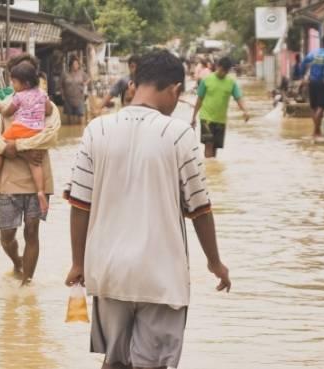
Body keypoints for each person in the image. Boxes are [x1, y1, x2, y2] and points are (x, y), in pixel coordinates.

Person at [65, 50, 231, 369]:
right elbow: (200, 209)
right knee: (152, 364)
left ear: (134, 83)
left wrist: (77, 262)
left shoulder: (96, 131)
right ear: (174, 90)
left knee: (114, 361)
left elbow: (79, 205)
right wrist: (215, 262)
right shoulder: (179, 134)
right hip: (161, 276)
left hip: (109, 272)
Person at [0, 54, 61, 286]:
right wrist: (23, 149)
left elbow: (51, 135)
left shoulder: (47, 104)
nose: (13, 84)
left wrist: (15, 147)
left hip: (38, 178)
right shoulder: (3, 107)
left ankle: (27, 283)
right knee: (7, 235)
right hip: (9, 180)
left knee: (32, 230)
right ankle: (17, 263)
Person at [0, 62, 53, 215]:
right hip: (36, 133)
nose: (11, 84)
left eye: (13, 81)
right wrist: (25, 151)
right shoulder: (42, 95)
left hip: (20, 129)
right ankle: (40, 191)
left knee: (0, 145)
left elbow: (7, 115)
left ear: (25, 83)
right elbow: (49, 111)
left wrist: (0, 107)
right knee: (36, 164)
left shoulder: (17, 97)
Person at [190, 56, 249, 158]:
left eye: (226, 71)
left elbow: (238, 97)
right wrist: (194, 116)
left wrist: (245, 111)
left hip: (220, 120)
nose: (223, 73)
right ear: (218, 67)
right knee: (208, 145)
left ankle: (212, 170)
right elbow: (199, 99)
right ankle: (208, 170)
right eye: (222, 70)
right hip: (206, 118)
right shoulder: (206, 80)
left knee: (215, 147)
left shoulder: (231, 83)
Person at [301, 35, 324, 137]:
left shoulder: (314, 52)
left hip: (312, 81)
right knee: (321, 106)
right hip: (322, 82)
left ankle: (317, 131)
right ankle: (316, 130)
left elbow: (304, 63)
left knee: (314, 107)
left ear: (322, 43)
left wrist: (303, 76)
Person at [59, 57, 90, 125]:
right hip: (68, 98)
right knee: (69, 120)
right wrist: (62, 95)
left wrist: (85, 83)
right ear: (70, 65)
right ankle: (70, 133)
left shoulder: (81, 73)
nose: (75, 66)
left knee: (81, 117)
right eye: (74, 64)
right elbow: (61, 85)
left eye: (77, 64)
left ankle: (81, 132)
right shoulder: (65, 74)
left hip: (79, 98)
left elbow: (88, 78)